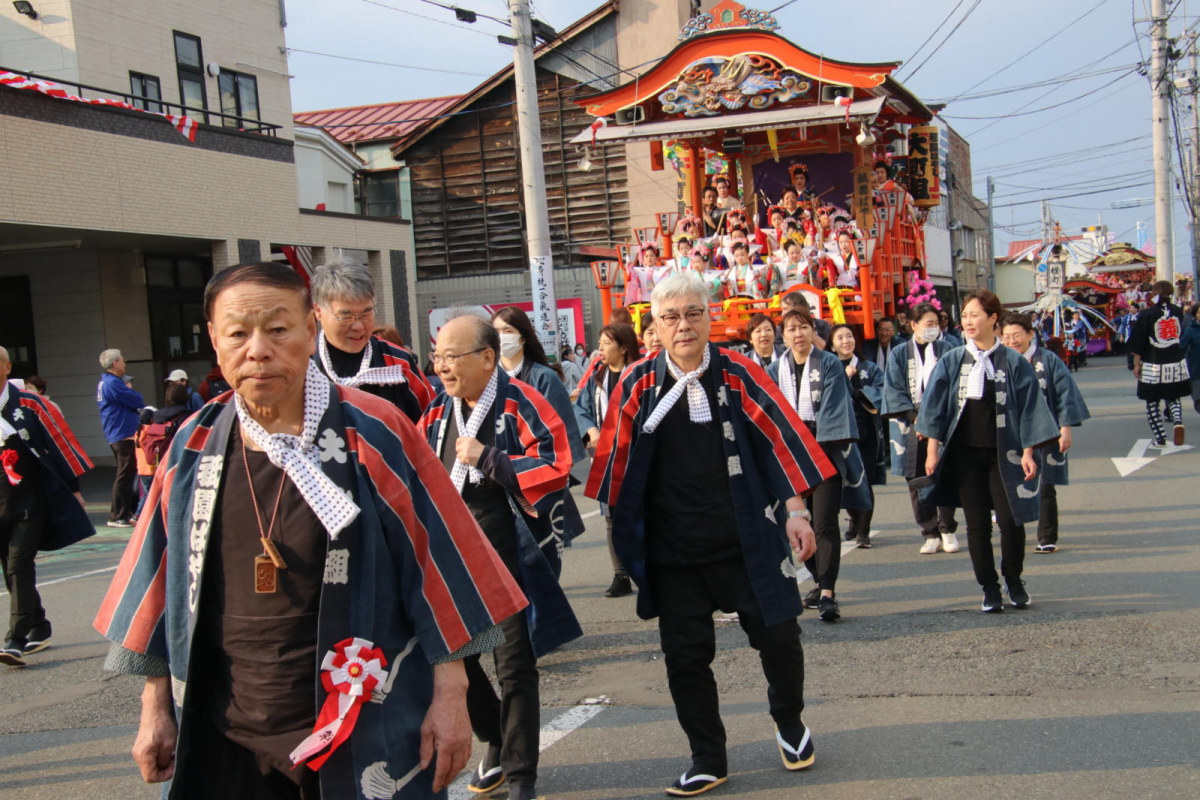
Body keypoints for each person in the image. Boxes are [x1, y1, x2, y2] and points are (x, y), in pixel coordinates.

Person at [94, 262, 527, 798]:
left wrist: (453, 694)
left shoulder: (375, 432)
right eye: (238, 333)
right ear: (213, 339)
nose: (257, 349)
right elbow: (156, 586)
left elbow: (443, 564)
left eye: (277, 329)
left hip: (364, 716)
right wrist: (154, 707)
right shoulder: (192, 445)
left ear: (308, 327)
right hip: (225, 726)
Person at [586, 272, 834, 796]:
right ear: (653, 323)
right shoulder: (636, 383)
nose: (683, 326)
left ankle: (789, 722)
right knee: (685, 659)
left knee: (781, 637)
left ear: (709, 316)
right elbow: (616, 468)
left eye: (694, 313)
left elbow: (777, 437)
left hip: (745, 536)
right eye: (671, 316)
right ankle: (707, 756)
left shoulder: (739, 371)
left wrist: (795, 509)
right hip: (674, 549)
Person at [420, 316, 582, 800]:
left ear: (487, 358)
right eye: (438, 357)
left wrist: (490, 457)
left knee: (514, 663)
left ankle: (521, 775)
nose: (443, 367)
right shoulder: (436, 411)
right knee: (456, 659)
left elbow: (558, 461)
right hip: (452, 550)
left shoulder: (520, 400)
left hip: (507, 546)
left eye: (453, 357)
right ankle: (495, 735)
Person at [917, 290, 1058, 613]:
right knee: (977, 524)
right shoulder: (953, 360)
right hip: (965, 456)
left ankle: (1014, 579)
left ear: (993, 319)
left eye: (975, 315)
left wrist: (1028, 451)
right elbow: (935, 408)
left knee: (1011, 521)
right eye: (964, 315)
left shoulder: (1013, 361)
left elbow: (1029, 408)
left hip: (1004, 453)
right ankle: (989, 588)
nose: (968, 321)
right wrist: (932, 451)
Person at [768, 311, 871, 621]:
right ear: (783, 337)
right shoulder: (775, 370)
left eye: (803, 327)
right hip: (791, 457)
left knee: (824, 523)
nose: (797, 333)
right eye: (790, 329)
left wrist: (815, 444)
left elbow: (835, 407)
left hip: (823, 452)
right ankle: (818, 579)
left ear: (812, 331)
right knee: (803, 526)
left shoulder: (828, 363)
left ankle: (828, 592)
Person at [0, 345, 93, 667]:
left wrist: (74, 489)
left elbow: (60, 445)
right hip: (0, 501)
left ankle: (15, 639)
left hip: (30, 500)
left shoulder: (29, 404)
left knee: (19, 565)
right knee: (11, 571)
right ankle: (39, 625)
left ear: (7, 366)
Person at [1001, 314, 1090, 555]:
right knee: (1005, 484)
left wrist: (1065, 428)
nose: (1012, 341)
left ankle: (1046, 537)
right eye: (1006, 336)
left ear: (1031, 334)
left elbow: (1065, 394)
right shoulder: (999, 361)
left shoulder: (1048, 360)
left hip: (1045, 430)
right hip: (1010, 432)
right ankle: (1009, 533)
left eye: (1016, 335)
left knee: (1046, 485)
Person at [310, 258, 434, 423]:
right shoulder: (301, 364)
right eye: (346, 317)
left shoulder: (399, 364)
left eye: (366, 314)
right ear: (318, 311)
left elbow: (434, 424)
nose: (358, 326)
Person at [882, 303, 960, 554]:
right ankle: (929, 532)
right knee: (916, 477)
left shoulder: (949, 349)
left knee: (945, 473)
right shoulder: (899, 353)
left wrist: (934, 420)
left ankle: (948, 528)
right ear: (913, 325)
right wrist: (916, 418)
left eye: (936, 324)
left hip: (944, 422)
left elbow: (957, 387)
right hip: (910, 422)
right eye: (928, 324)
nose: (933, 329)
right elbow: (894, 388)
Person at [575, 323, 641, 598]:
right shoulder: (596, 379)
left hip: (636, 455)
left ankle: (650, 570)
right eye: (599, 343)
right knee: (611, 518)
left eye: (605, 342)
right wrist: (591, 430)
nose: (599, 348)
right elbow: (581, 409)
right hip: (607, 458)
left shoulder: (639, 375)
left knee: (642, 513)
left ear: (624, 347)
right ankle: (620, 575)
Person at [492, 307, 588, 465]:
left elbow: (563, 423)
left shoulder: (544, 377)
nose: (501, 337)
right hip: (500, 463)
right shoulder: (488, 378)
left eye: (508, 331)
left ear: (523, 338)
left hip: (540, 462)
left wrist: (563, 465)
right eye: (496, 331)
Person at [827, 324, 887, 549]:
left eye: (849, 336)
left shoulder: (869, 368)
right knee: (846, 480)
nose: (846, 341)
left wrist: (856, 390)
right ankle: (853, 518)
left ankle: (864, 530)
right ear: (832, 345)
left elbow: (881, 393)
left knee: (865, 481)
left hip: (866, 432)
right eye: (840, 338)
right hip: (840, 434)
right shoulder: (828, 368)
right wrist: (842, 377)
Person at [1130, 280, 1191, 446]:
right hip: (1175, 361)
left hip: (1153, 363)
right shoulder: (1178, 312)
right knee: (1173, 397)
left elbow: (1138, 342)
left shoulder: (1147, 314)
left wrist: (1136, 363)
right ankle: (1177, 421)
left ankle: (1160, 437)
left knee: (1152, 402)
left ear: (1154, 294)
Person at [97, 348, 144, 528]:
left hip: (119, 432)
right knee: (124, 474)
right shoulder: (113, 383)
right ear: (115, 363)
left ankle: (124, 512)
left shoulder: (106, 382)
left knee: (126, 473)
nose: (124, 364)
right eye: (122, 361)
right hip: (122, 434)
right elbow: (136, 400)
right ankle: (118, 515)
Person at [134, 383, 193, 521]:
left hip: (159, 463)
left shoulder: (157, 418)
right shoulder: (188, 416)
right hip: (180, 463)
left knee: (157, 496)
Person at [1180, 303, 1200, 413]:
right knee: (1198, 398)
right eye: (1199, 312)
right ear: (1195, 314)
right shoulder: (1191, 330)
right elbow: (1182, 347)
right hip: (1196, 368)